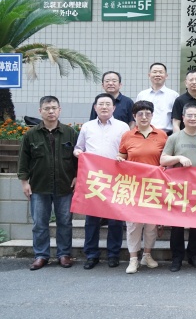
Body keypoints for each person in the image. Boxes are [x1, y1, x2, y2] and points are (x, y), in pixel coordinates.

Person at [18, 96, 79, 271]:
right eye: (47, 108)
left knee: (65, 222)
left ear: (59, 110)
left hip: (65, 185)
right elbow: (23, 160)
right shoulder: (31, 134)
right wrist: (24, 182)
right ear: (40, 111)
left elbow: (78, 158)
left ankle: (64, 254)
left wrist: (77, 176)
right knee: (39, 223)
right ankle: (41, 255)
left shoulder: (70, 133)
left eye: (54, 108)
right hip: (39, 185)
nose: (51, 111)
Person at [74, 93, 130, 270]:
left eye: (108, 104)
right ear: (95, 107)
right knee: (92, 219)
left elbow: (127, 151)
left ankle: (113, 254)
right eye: (101, 104)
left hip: (115, 178)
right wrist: (78, 153)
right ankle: (91, 255)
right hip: (94, 179)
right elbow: (78, 148)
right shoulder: (87, 127)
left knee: (115, 219)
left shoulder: (123, 127)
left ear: (114, 108)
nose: (104, 107)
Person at [118, 100, 168, 274]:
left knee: (151, 225)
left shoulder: (162, 135)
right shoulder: (127, 136)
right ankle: (133, 259)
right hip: (133, 186)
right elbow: (122, 156)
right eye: (140, 114)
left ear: (152, 115)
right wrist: (119, 159)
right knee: (133, 224)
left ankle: (147, 255)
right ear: (134, 116)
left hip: (154, 186)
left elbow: (166, 158)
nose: (144, 117)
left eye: (148, 113)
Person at [160, 103, 196, 272]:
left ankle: (194, 255)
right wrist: (178, 158)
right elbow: (163, 160)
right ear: (183, 118)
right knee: (177, 225)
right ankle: (177, 258)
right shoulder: (174, 137)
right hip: (178, 188)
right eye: (190, 115)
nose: (193, 119)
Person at [136, 62, 179, 134]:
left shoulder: (174, 95)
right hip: (144, 134)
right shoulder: (142, 95)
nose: (157, 74)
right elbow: (137, 116)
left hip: (166, 135)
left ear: (166, 76)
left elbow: (176, 119)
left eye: (161, 72)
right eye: (155, 72)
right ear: (149, 75)